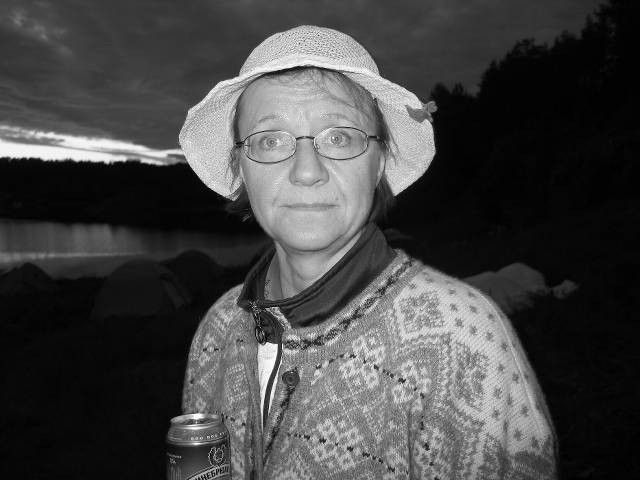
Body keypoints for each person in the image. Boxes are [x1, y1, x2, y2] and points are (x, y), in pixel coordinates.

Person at [179, 25, 558, 479]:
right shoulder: (217, 329)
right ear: (241, 167)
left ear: (378, 163)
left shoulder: (463, 339)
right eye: (270, 140)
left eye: (339, 137)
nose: (306, 171)